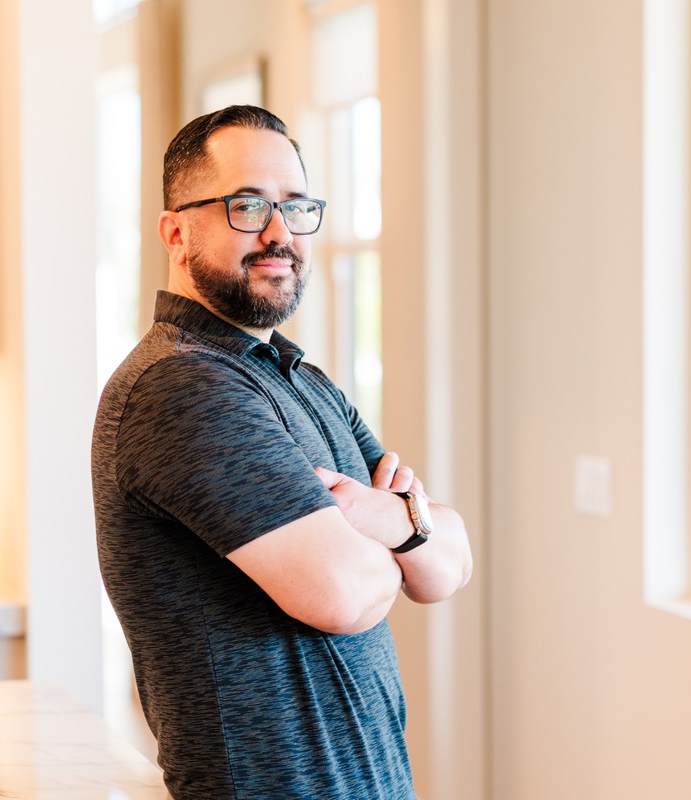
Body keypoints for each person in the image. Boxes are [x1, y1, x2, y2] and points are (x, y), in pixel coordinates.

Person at [91, 104, 472, 800]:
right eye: (246, 205)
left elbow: (449, 568)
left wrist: (387, 520)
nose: (279, 233)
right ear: (176, 233)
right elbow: (344, 594)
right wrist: (402, 536)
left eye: (295, 206)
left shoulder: (299, 379)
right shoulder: (184, 386)